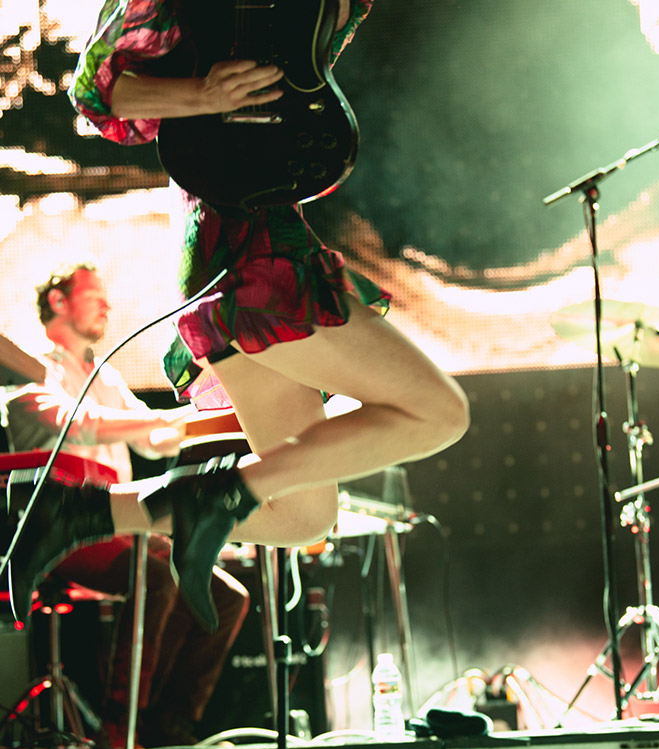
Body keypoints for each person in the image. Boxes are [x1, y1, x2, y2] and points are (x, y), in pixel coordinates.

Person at [6, 1, 469, 645]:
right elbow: (94, 91)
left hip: (244, 242)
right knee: (439, 412)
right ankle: (219, 496)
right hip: (247, 244)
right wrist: (202, 92)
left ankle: (75, 511)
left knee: (302, 515)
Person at [6, 264, 250, 748]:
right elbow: (75, 423)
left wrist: (229, 413)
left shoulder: (105, 376)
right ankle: (121, 726)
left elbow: (156, 438)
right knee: (155, 579)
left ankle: (168, 721)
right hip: (55, 528)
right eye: (94, 293)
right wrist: (160, 424)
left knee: (227, 596)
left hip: (119, 526)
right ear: (58, 301)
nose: (108, 305)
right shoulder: (31, 368)